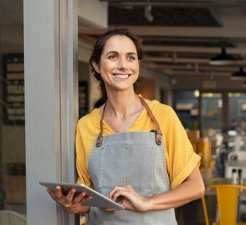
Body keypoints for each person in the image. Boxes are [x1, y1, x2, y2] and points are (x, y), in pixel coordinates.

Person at [47, 28, 205, 224]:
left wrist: (147, 202)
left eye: (130, 58)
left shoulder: (163, 116)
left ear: (137, 65)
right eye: (113, 57)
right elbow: (90, 199)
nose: (123, 65)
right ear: (96, 65)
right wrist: (74, 206)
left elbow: (196, 186)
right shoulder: (86, 125)